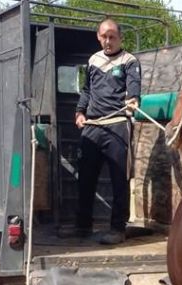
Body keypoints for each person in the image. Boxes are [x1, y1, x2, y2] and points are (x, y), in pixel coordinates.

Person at [65, 18, 141, 245]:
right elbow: (87, 90)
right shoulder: (93, 60)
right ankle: (82, 226)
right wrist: (80, 112)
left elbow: (134, 86)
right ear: (98, 37)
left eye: (112, 36)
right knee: (85, 178)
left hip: (118, 123)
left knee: (120, 179)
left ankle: (118, 229)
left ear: (120, 38)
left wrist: (134, 99)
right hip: (93, 127)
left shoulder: (130, 61)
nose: (108, 41)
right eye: (104, 36)